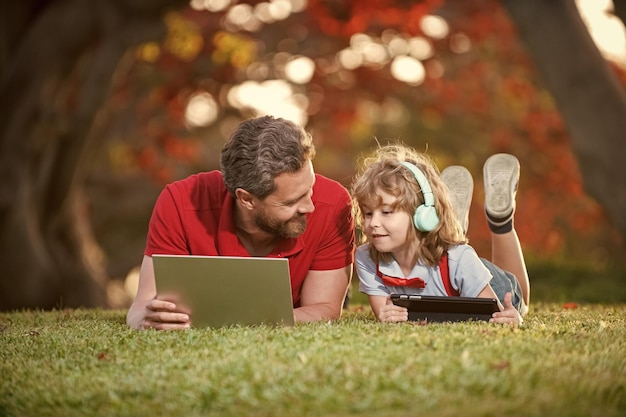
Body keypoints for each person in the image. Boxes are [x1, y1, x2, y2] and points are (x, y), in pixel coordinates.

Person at [127, 115, 355, 330]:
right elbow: (141, 308)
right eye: (291, 202)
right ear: (246, 199)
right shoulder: (179, 203)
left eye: (310, 189)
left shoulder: (333, 204)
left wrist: (253, 319)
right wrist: (147, 319)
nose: (309, 206)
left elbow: (324, 309)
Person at [352, 143, 530, 325]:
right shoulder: (366, 257)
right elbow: (385, 314)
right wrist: (388, 316)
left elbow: (495, 316)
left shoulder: (460, 259)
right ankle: (455, 226)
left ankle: (501, 222)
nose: (373, 223)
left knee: (519, 298)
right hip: (455, 273)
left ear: (422, 214)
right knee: (457, 257)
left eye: (387, 212)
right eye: (368, 213)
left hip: (481, 281)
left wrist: (511, 317)